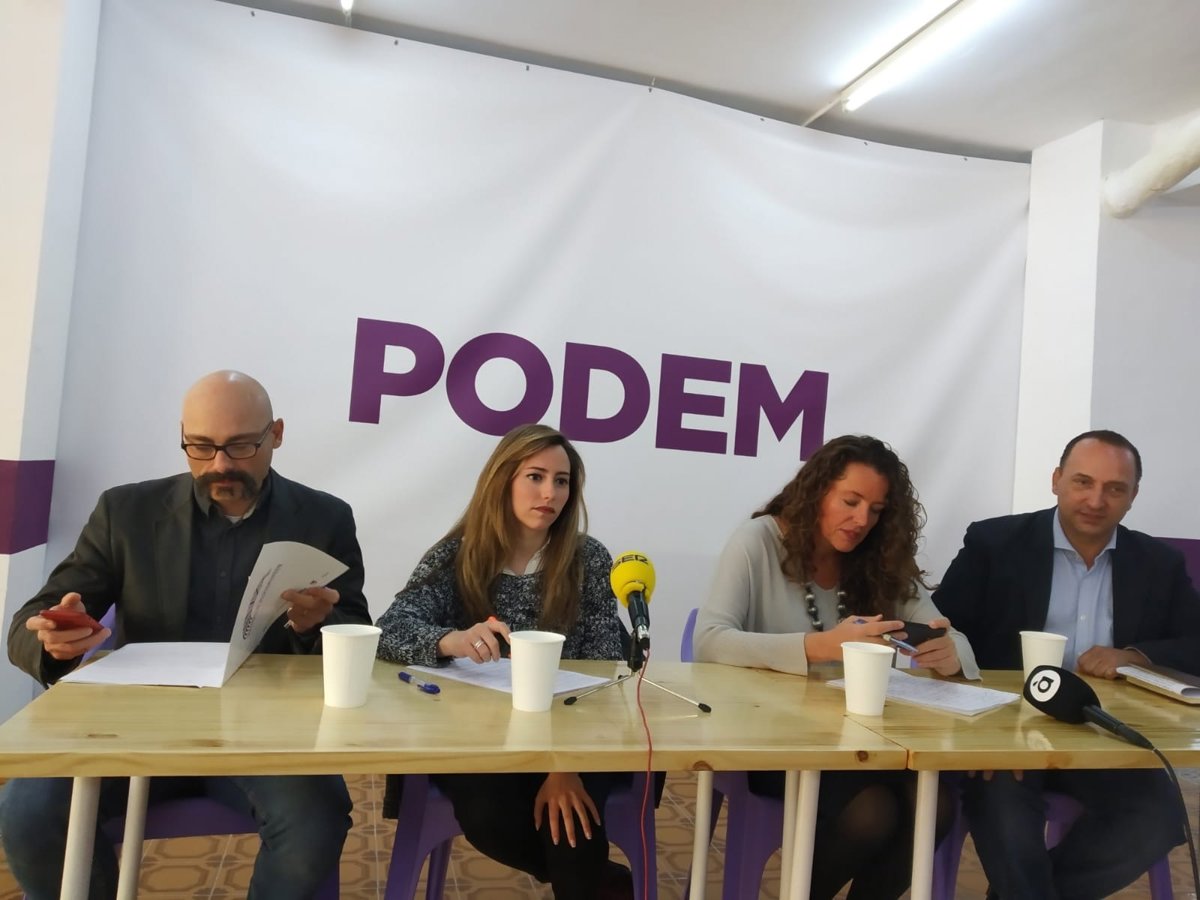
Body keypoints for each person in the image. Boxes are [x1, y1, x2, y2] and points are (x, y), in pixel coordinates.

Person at [1, 370, 371, 900]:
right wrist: (52, 638)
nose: (219, 464)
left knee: (316, 821)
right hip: (137, 730)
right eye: (200, 446)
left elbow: (353, 626)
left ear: (276, 434)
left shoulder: (324, 518)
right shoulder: (125, 513)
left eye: (241, 446)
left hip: (266, 737)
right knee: (26, 813)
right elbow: (32, 621)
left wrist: (315, 625)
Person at [695, 433, 978, 900]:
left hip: (858, 742)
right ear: (816, 491)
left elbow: (950, 635)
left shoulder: (881, 558)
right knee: (874, 810)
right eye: (850, 501)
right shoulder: (758, 541)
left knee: (936, 806)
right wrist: (820, 646)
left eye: (877, 509)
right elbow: (709, 640)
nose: (862, 520)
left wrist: (950, 654)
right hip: (772, 738)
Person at [933, 429, 1200, 900]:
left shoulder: (1158, 563)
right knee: (1004, 812)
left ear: (1133, 497)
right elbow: (943, 631)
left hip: (1104, 735)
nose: (1096, 500)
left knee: (1158, 816)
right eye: (1082, 482)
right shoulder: (994, 543)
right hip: (1003, 736)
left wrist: (1134, 655)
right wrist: (983, 736)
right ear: (1056, 480)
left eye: (1114, 488)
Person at [376, 424, 632, 900]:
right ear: (502, 480)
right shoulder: (458, 554)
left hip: (572, 735)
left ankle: (594, 878)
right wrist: (451, 640)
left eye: (561, 481)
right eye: (535, 477)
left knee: (571, 827)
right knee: (489, 817)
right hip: (480, 738)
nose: (549, 493)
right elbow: (388, 630)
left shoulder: (588, 559)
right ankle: (608, 883)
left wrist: (562, 767)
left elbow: (603, 671)